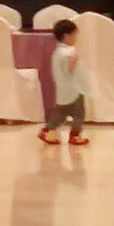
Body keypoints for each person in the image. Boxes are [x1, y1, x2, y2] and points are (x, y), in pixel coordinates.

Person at [39, 19, 90, 147]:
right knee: (79, 114)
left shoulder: (56, 52)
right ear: (67, 36)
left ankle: (46, 131)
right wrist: (74, 60)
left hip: (63, 90)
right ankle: (75, 135)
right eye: (75, 35)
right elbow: (69, 69)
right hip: (74, 89)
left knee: (61, 114)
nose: (76, 39)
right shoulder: (69, 51)